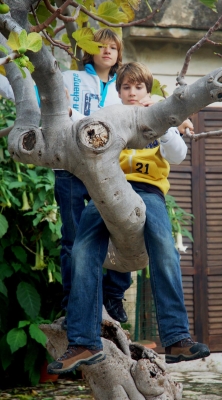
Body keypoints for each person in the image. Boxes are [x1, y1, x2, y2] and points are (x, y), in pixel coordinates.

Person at [47, 61, 210, 374]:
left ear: (148, 90)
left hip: (149, 192)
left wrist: (164, 125)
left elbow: (177, 155)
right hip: (108, 189)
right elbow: (84, 124)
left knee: (164, 247)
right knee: (82, 251)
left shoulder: (162, 115)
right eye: (126, 87)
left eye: (138, 87)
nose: (132, 92)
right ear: (119, 91)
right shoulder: (110, 114)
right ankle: (84, 342)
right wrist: (66, 111)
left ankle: (176, 338)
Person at [56, 28, 131, 324]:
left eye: (113, 47)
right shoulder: (68, 78)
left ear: (119, 52)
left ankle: (113, 294)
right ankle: (72, 300)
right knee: (72, 239)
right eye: (101, 46)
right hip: (71, 168)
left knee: (122, 230)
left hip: (110, 168)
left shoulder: (125, 86)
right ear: (89, 49)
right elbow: (34, 97)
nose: (107, 51)